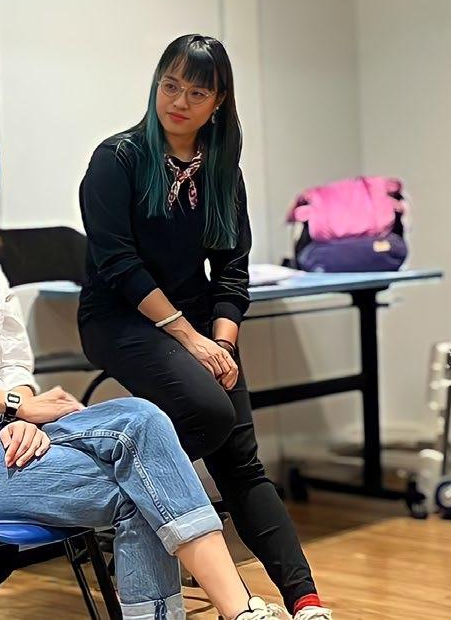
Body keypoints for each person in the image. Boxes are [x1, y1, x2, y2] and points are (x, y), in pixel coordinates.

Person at [0, 123, 285, 620]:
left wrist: (20, 413)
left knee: (142, 417)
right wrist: (14, 406)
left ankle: (238, 610)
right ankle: (240, 609)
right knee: (144, 492)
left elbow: (13, 364)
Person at [76, 34, 329, 619]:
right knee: (212, 413)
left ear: (218, 102)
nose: (178, 102)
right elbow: (119, 265)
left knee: (241, 460)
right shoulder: (116, 160)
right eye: (170, 86)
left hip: (198, 328)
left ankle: (305, 601)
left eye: (196, 92)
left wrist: (222, 343)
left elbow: (232, 270)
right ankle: (119, 486)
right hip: (119, 317)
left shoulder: (220, 171)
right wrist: (190, 339)